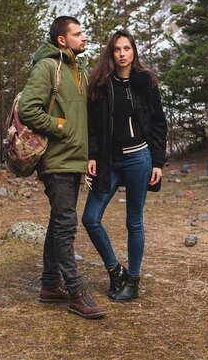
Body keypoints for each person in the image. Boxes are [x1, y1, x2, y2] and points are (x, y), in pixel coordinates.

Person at [18, 16, 107, 319]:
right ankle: (76, 294)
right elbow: (27, 108)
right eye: (78, 33)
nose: (84, 37)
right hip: (56, 160)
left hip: (74, 159)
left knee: (59, 222)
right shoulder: (47, 68)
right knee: (67, 225)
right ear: (61, 40)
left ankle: (48, 285)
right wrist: (59, 126)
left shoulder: (78, 70)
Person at [82, 29, 167, 302]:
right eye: (117, 49)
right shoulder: (101, 83)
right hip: (110, 161)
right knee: (90, 218)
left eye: (127, 48)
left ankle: (133, 279)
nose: (122, 54)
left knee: (134, 221)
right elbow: (92, 125)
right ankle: (114, 269)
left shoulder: (145, 81)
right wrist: (92, 155)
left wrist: (158, 162)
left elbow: (158, 123)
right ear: (111, 52)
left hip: (139, 159)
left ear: (134, 52)